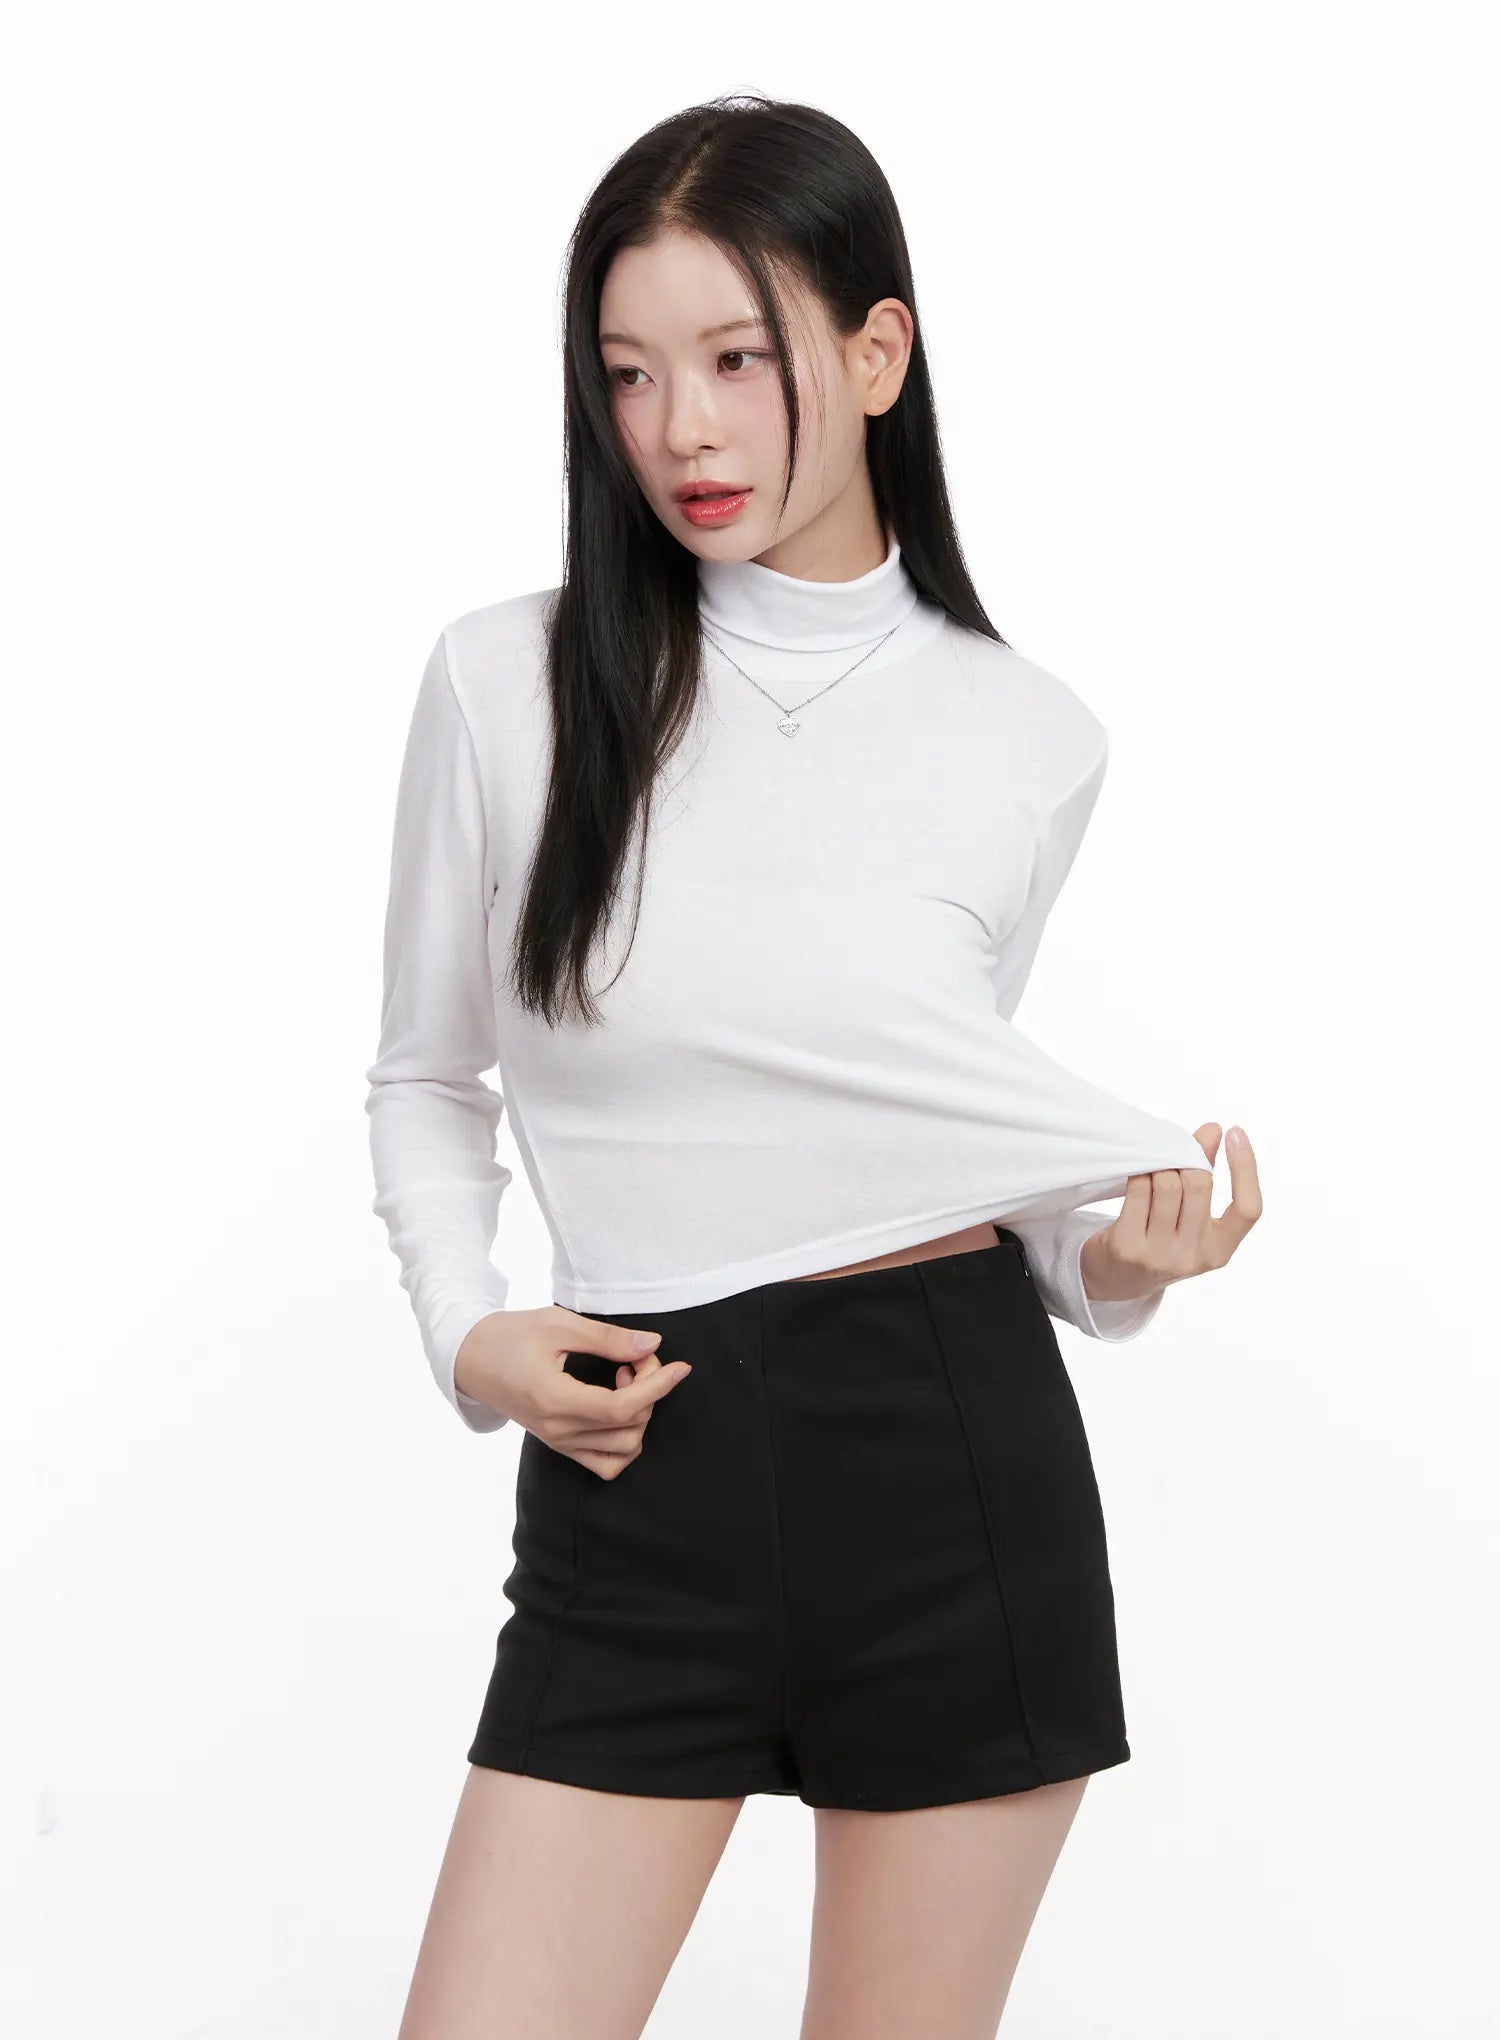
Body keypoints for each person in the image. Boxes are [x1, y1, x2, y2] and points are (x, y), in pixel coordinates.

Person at [364, 92, 1261, 2040]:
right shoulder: (505, 683)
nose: (680, 429)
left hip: (951, 1463)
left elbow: (921, 1136)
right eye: (628, 372)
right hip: (636, 1457)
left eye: (737, 359)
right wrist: (465, 1333)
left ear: (873, 352)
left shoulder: (1029, 736)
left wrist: (1109, 1260)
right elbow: (427, 1076)